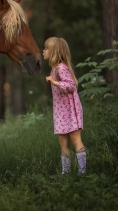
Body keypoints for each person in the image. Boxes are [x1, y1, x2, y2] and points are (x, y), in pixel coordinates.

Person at [43, 37, 86, 174]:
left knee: (75, 140)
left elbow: (71, 86)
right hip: (61, 113)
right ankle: (65, 174)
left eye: (46, 48)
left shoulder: (61, 68)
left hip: (70, 111)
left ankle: (82, 173)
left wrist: (55, 82)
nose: (43, 51)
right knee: (63, 143)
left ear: (54, 51)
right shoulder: (54, 69)